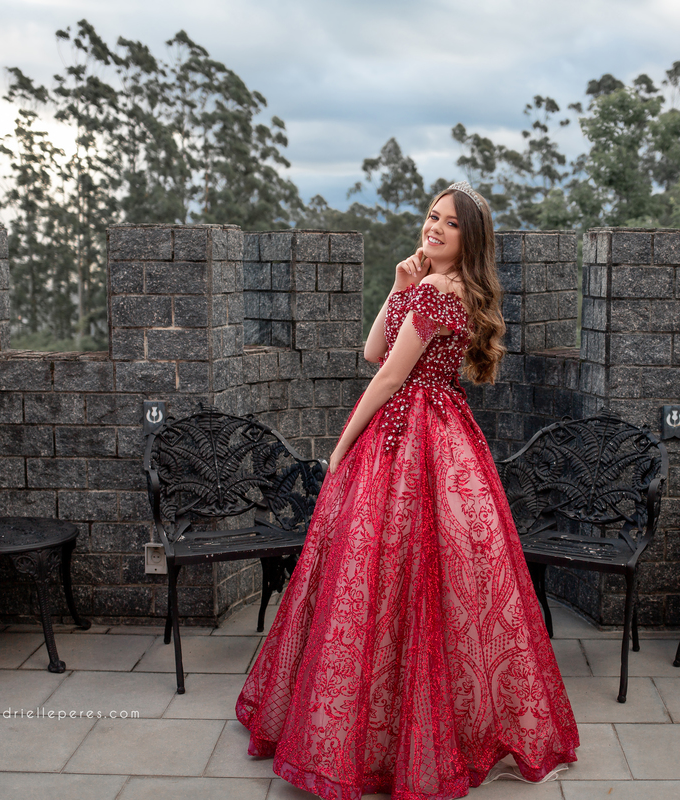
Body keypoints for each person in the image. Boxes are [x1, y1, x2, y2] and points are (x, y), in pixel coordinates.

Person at [236, 181, 579, 800]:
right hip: (437, 429)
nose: (434, 228)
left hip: (411, 437)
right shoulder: (436, 287)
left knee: (391, 574)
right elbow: (374, 350)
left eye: (451, 223)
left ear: (470, 239)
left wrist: (341, 448)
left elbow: (390, 376)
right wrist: (397, 286)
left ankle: (393, 736)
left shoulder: (441, 290)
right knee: (421, 578)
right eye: (431, 217)